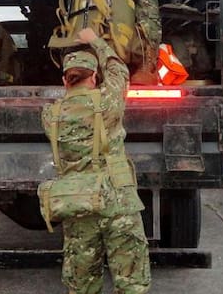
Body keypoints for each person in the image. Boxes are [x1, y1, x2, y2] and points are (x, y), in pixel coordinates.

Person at [42, 28, 151, 293]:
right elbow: (120, 72)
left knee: (82, 282)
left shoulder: (50, 114)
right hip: (117, 202)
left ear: (65, 80)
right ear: (94, 76)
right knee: (131, 281)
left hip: (78, 204)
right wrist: (96, 42)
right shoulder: (107, 101)